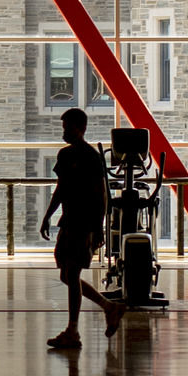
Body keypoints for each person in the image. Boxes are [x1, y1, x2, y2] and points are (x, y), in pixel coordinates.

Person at [40, 108, 123, 350]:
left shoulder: (90, 157)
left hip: (83, 223)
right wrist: (48, 216)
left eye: (68, 127)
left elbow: (101, 195)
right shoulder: (65, 156)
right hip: (70, 221)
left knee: (72, 274)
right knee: (67, 275)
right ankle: (109, 307)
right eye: (64, 127)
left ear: (81, 128)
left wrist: (98, 228)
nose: (65, 131)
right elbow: (61, 188)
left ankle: (73, 331)